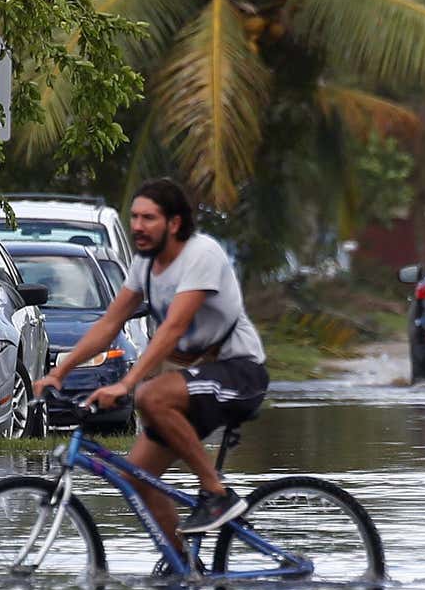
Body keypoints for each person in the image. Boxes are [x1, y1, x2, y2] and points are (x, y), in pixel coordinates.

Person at [32, 178, 269, 561]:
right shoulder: (143, 266)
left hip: (239, 373)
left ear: (174, 223)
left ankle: (218, 493)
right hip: (200, 382)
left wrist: (126, 384)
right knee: (136, 478)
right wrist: (61, 370)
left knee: (150, 395)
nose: (138, 226)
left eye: (149, 218)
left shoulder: (201, 254)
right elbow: (110, 324)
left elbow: (173, 326)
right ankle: (184, 569)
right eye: (135, 217)